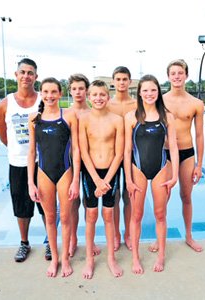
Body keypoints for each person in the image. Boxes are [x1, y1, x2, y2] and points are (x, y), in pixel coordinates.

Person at [0, 58, 50, 263]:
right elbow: (3, 136)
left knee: (46, 204)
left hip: (42, 163)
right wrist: (19, 152)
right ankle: (24, 243)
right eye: (23, 72)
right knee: (21, 206)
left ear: (36, 77)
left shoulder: (42, 101)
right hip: (17, 163)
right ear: (16, 75)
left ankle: (49, 242)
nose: (26, 76)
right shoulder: (5, 104)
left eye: (30, 73)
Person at [124, 74, 178, 274]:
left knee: (160, 214)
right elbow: (126, 151)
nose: (149, 94)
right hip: (137, 169)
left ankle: (161, 256)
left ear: (158, 92)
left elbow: (173, 146)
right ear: (139, 92)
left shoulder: (167, 116)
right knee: (136, 215)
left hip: (161, 168)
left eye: (153, 90)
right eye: (145, 90)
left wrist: (174, 176)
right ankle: (135, 258)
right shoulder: (131, 116)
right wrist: (128, 179)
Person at [27, 77, 80, 278]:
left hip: (65, 172)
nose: (49, 96)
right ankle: (55, 259)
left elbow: (75, 149)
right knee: (50, 218)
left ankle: (65, 259)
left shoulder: (69, 116)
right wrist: (30, 183)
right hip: (43, 174)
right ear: (41, 93)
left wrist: (75, 179)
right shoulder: (34, 119)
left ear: (59, 93)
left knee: (65, 218)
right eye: (46, 92)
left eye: (53, 92)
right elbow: (32, 153)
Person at [151, 59, 204, 252]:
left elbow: (199, 135)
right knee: (164, 196)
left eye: (180, 73)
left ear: (186, 75)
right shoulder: (160, 101)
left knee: (186, 195)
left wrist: (199, 164)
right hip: (165, 153)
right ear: (168, 77)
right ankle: (159, 238)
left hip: (187, 153)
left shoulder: (196, 103)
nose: (176, 76)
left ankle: (189, 236)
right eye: (173, 73)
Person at [79, 80, 124, 279]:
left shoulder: (117, 120)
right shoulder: (84, 119)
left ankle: (111, 259)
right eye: (94, 95)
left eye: (102, 95)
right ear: (89, 97)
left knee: (108, 215)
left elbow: (120, 154)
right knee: (91, 216)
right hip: (91, 174)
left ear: (108, 96)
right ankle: (89, 259)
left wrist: (106, 179)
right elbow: (83, 152)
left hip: (111, 172)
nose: (98, 98)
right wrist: (97, 180)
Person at [67, 73, 100, 257]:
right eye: (74, 89)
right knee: (72, 202)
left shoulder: (94, 112)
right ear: (70, 91)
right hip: (70, 162)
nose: (78, 92)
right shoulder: (66, 113)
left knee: (90, 204)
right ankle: (73, 239)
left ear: (87, 91)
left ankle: (91, 240)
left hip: (90, 162)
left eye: (81, 88)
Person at [107, 66, 137, 251]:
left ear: (130, 81)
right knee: (115, 197)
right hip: (113, 156)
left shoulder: (137, 104)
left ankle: (128, 233)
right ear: (113, 82)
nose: (121, 82)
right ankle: (116, 233)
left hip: (133, 155)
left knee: (130, 196)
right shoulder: (108, 104)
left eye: (124, 79)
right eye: (118, 79)